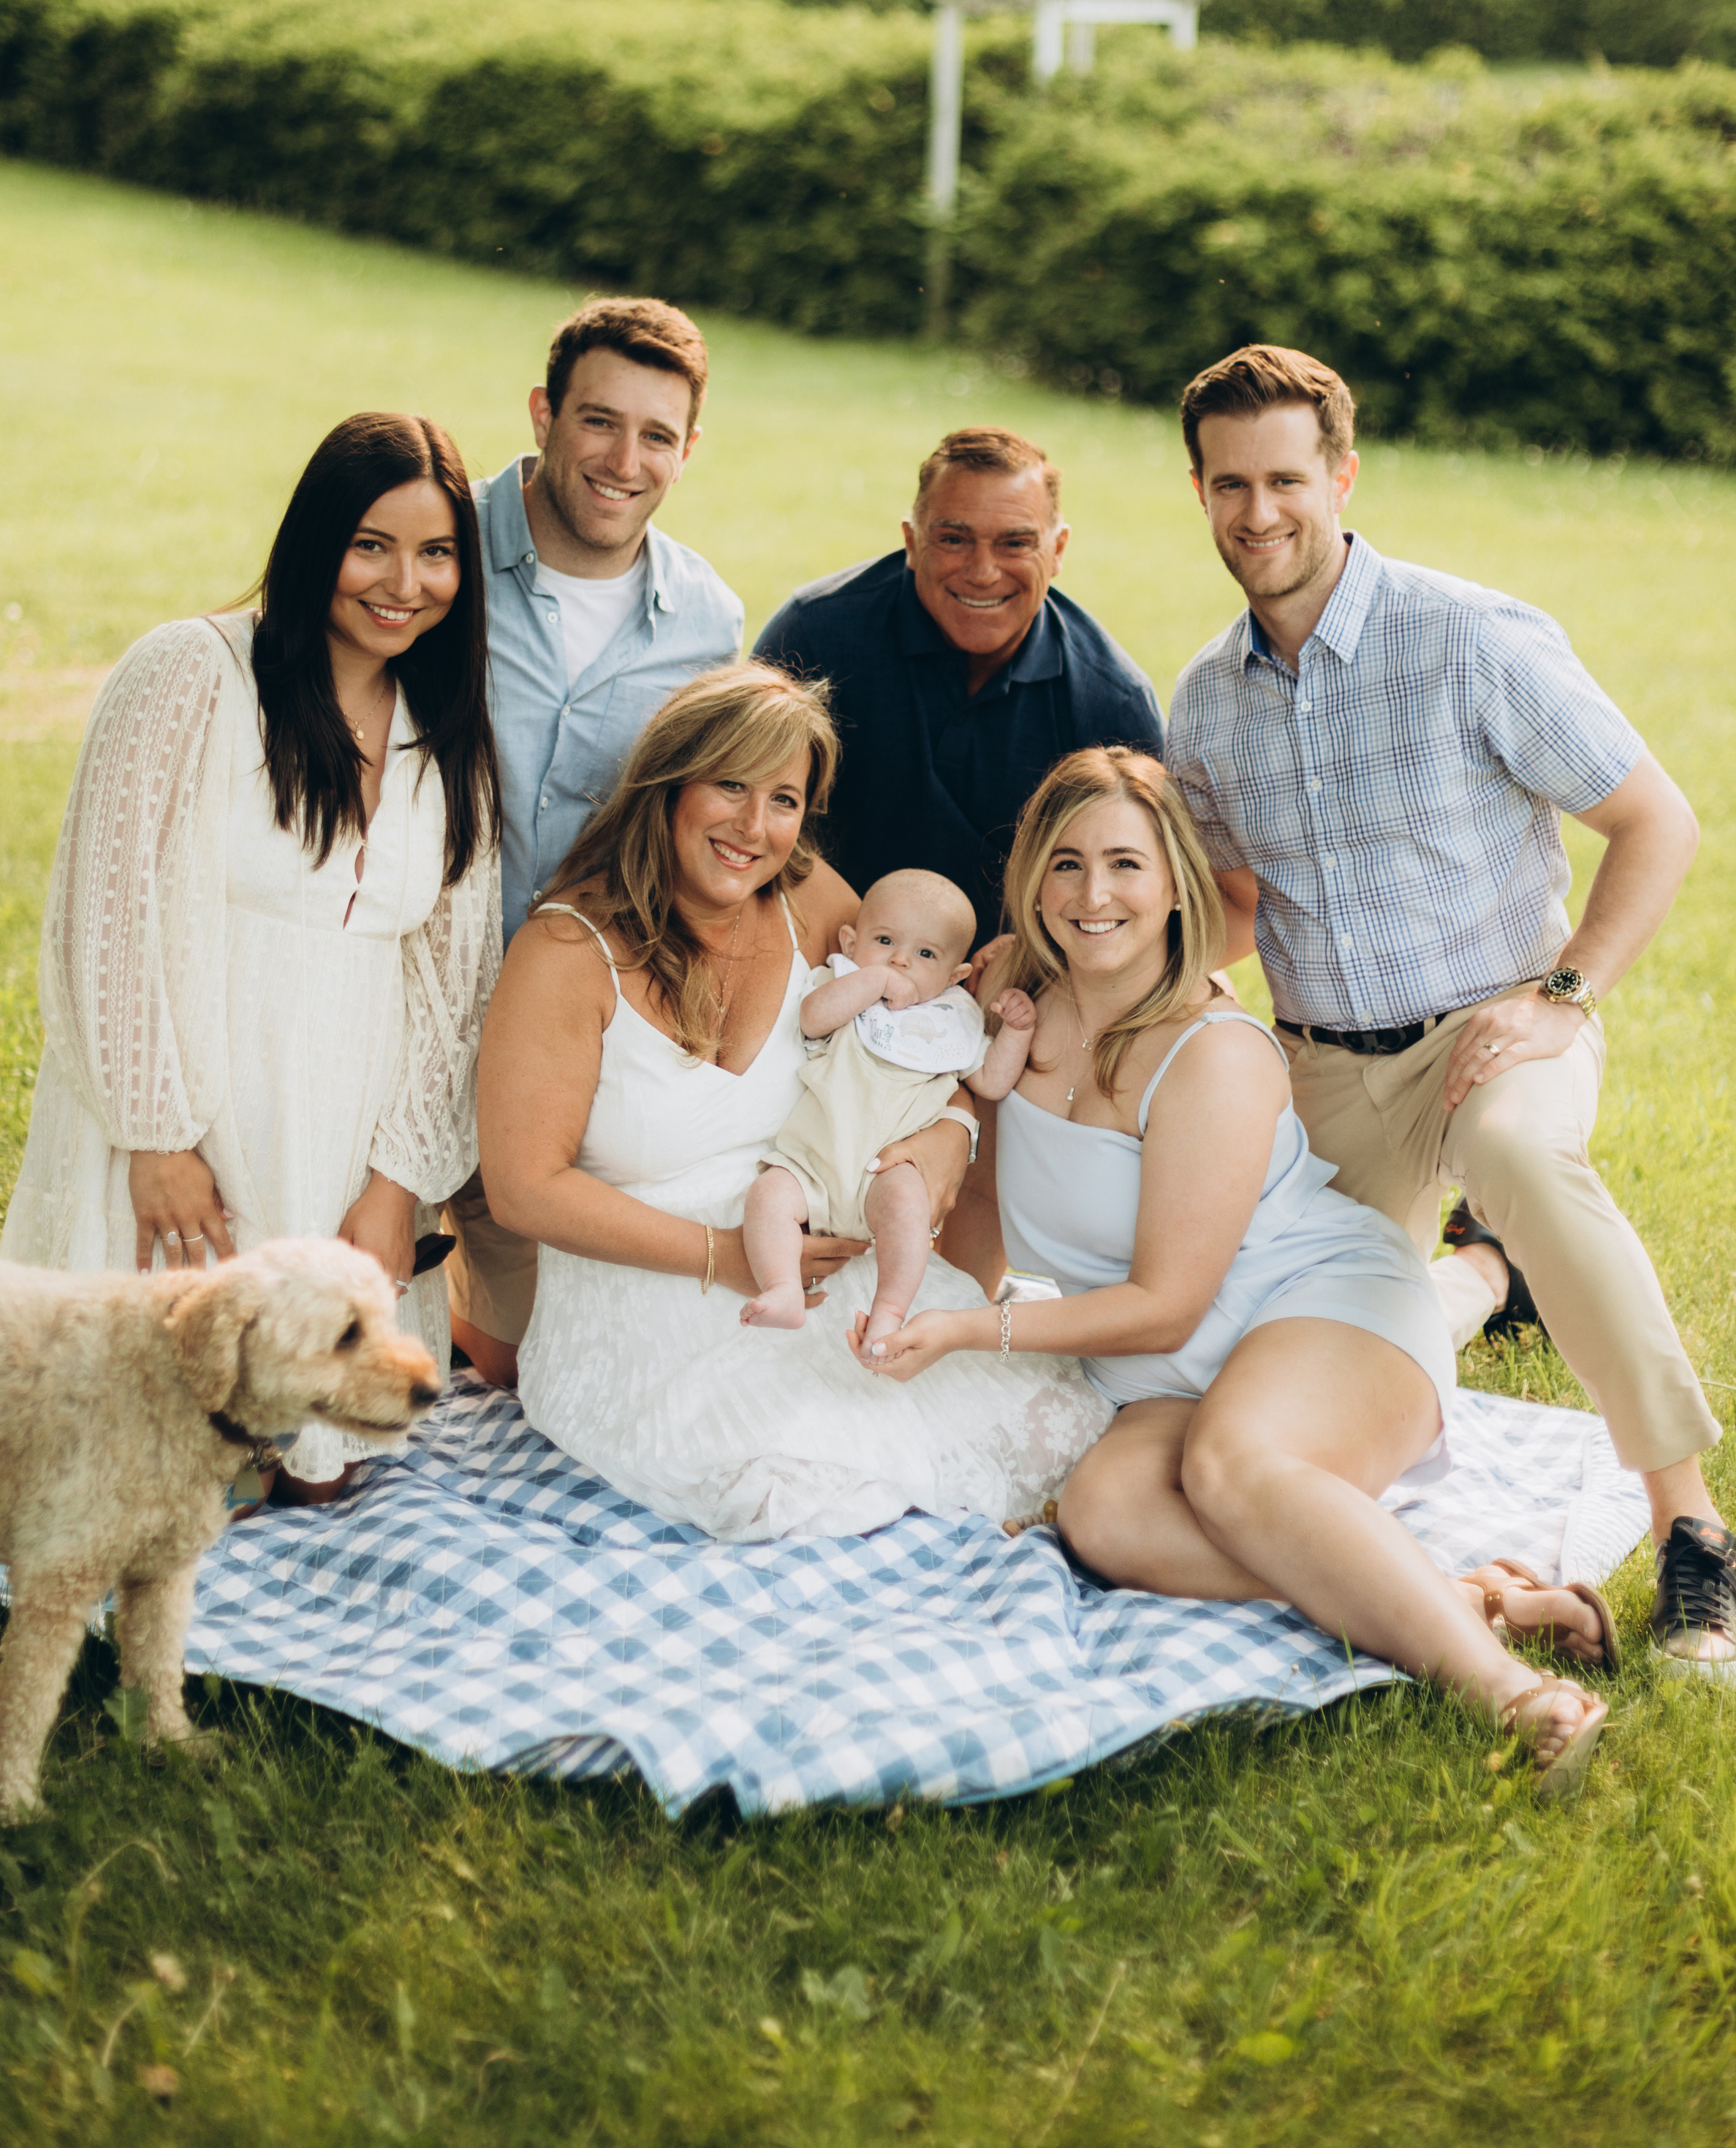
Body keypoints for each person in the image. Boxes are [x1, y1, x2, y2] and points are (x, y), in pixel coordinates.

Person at [864, 749, 1614, 1800]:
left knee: (1231, 1464)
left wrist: (968, 1336)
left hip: (1316, 1310)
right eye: (1066, 863)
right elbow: (981, 1196)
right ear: (1031, 877)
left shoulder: (1213, 1050)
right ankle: (1457, 1595)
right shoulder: (1007, 999)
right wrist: (938, 1303)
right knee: (1107, 1515)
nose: (1093, 895)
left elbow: (1166, 1305)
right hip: (1159, 1373)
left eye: (1126, 864)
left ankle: (1507, 1690)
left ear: (1176, 882)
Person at [1164, 341, 1733, 1668]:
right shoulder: (1203, 703)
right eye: (1229, 485)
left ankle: (1695, 1529)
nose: (1260, 513)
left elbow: (1655, 820)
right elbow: (1241, 908)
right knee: (1301, 1343)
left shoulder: (1469, 638)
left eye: (1287, 479)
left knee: (1524, 1153)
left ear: (1342, 476)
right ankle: (1488, 1276)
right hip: (1323, 1070)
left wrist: (1564, 996)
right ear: (1199, 493)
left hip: (1495, 1027)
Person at [474, 662, 1108, 1540]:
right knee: (791, 1490)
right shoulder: (564, 949)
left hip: (827, 1261)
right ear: (666, 786)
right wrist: (722, 1254)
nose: (752, 827)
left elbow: (928, 1033)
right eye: (728, 786)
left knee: (1057, 1426)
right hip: (652, 1295)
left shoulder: (809, 901)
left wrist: (951, 1133)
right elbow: (523, 1188)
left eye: (782, 800)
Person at [0, 414, 502, 1502]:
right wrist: (156, 1134)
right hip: (193, 1100)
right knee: (134, 1471)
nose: (404, 583)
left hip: (339, 1138)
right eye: (372, 544)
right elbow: (109, 911)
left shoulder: (448, 729)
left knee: (322, 1475)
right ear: (314, 539)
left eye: (437, 552)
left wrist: (397, 1185)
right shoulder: (195, 672)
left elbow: (454, 982)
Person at [447, 297, 744, 1388]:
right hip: (401, 985)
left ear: (688, 449)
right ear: (543, 414)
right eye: (598, 423)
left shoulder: (708, 619)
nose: (625, 460)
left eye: (657, 435)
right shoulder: (446, 549)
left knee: (534, 1365)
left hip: (559, 1026)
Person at [754, 426, 1162, 939]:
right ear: (911, 542)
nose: (984, 572)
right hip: (825, 946)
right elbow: (740, 823)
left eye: (1015, 543)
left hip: (1019, 985)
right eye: (953, 539)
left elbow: (1150, 904)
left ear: (1057, 550)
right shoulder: (813, 637)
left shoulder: (1112, 701)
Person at [740, 869, 1038, 1350]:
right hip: (810, 1165)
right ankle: (783, 1289)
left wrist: (1016, 1035)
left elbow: (991, 1081)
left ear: (955, 976)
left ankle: (889, 1312)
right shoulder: (843, 985)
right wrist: (872, 980)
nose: (900, 960)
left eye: (925, 954)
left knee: (908, 1213)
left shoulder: (950, 1018)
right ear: (850, 941)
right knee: (767, 1198)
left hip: (887, 1172)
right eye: (884, 941)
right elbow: (812, 1020)